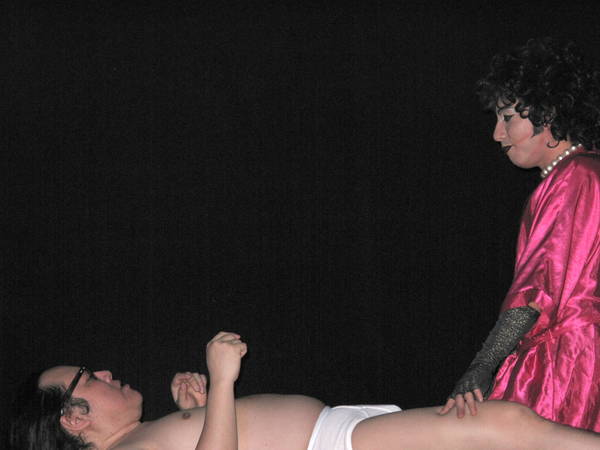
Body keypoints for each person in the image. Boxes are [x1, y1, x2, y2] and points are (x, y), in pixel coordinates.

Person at [9, 331, 600, 449]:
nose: (106, 374)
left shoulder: (144, 437)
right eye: (89, 379)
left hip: (334, 435)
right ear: (73, 418)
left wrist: (201, 412)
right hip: (328, 444)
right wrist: (222, 381)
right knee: (502, 426)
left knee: (503, 429)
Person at [440, 37, 600, 432]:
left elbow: (536, 292)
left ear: (549, 113)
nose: (498, 134)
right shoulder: (584, 173)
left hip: (568, 362)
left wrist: (482, 365)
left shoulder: (573, 178)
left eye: (508, 117)